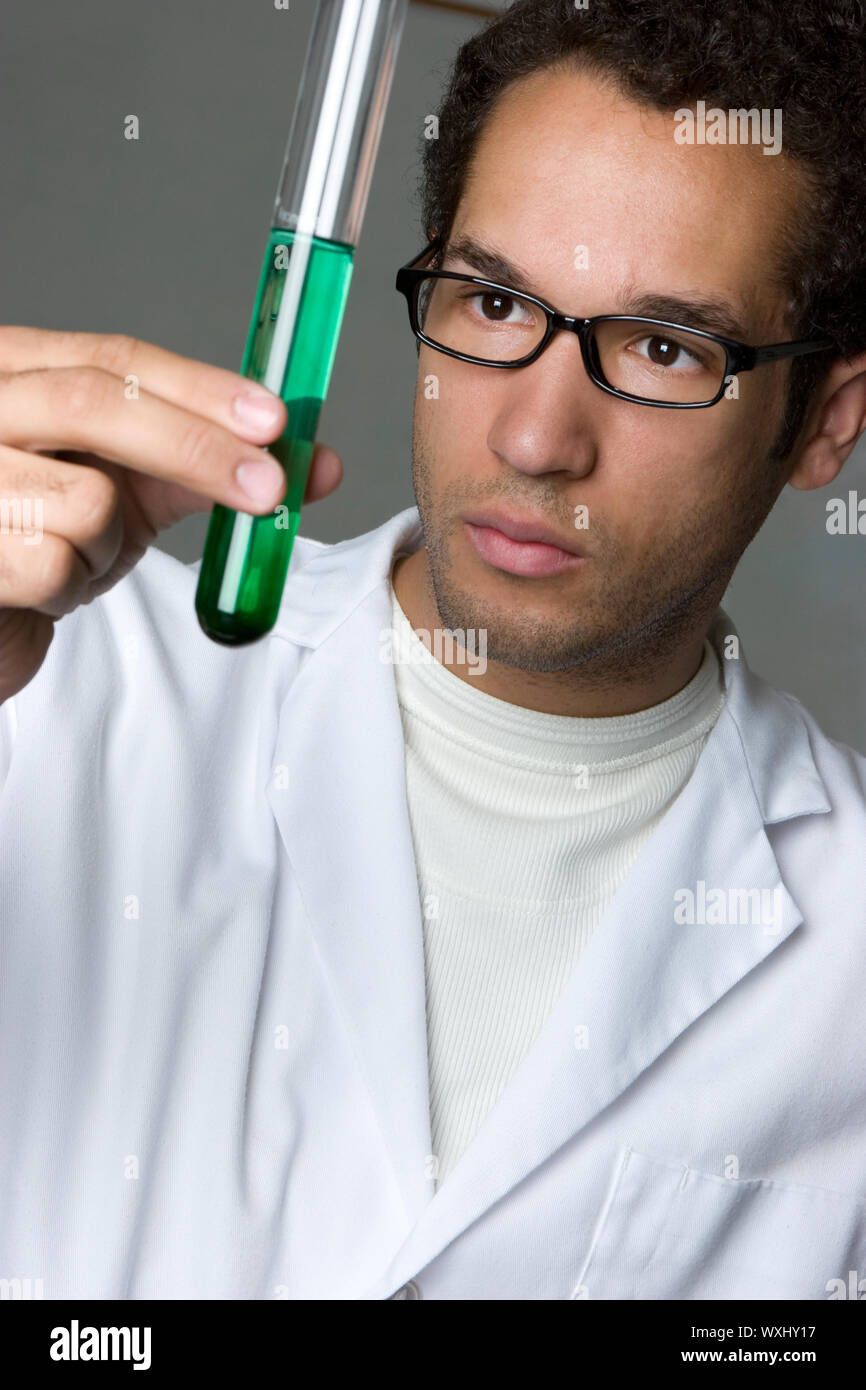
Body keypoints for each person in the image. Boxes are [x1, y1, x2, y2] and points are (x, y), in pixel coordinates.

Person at [1, 0, 865, 1301]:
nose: (534, 439)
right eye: (495, 300)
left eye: (662, 346)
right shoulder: (56, 689)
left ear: (822, 425)